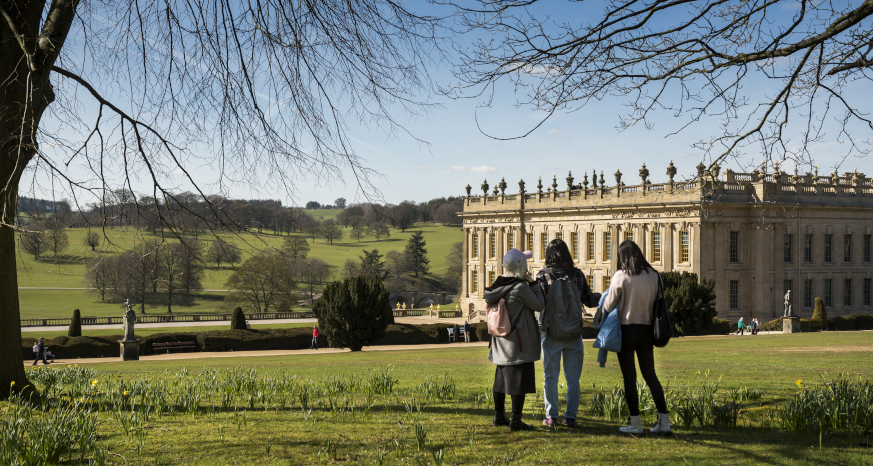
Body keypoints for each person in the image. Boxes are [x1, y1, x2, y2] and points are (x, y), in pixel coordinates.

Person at [601, 240, 670, 435]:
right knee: (650, 376)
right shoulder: (654, 276)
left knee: (630, 378)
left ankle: (635, 423)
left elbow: (608, 306)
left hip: (626, 330)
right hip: (647, 330)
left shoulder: (621, 276)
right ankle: (664, 421)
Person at [536, 239, 601, 428]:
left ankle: (551, 416)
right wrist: (605, 294)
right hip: (574, 333)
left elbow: (539, 304)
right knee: (573, 380)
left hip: (551, 334)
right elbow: (589, 301)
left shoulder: (543, 276)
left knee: (551, 378)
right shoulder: (577, 275)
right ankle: (570, 417)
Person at [485, 248, 544, 432]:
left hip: (500, 342)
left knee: (500, 381)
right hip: (518, 342)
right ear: (521, 267)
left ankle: (499, 416)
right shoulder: (519, 288)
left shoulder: (496, 286)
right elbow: (539, 304)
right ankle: (516, 421)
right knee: (519, 382)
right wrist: (533, 284)